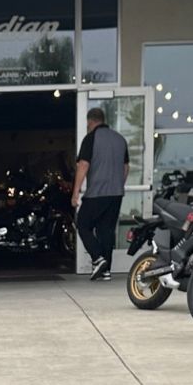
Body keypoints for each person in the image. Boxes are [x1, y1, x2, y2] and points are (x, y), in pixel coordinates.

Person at [72, 107, 128, 280]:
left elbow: (83, 165)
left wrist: (75, 192)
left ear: (90, 122)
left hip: (97, 192)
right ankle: (106, 271)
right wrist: (119, 185)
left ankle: (98, 258)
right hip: (116, 193)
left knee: (82, 223)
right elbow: (126, 168)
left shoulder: (91, 138)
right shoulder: (120, 139)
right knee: (106, 230)